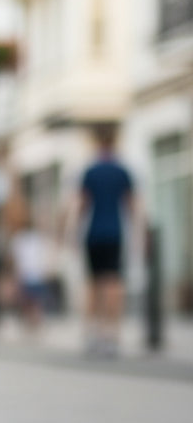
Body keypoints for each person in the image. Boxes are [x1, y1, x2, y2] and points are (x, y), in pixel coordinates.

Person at [79, 124, 136, 357]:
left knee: (93, 283)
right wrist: (140, 234)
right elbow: (132, 204)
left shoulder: (90, 171)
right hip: (114, 233)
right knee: (113, 283)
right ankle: (112, 334)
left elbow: (81, 204)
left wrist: (69, 234)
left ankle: (93, 331)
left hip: (93, 233)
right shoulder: (122, 171)